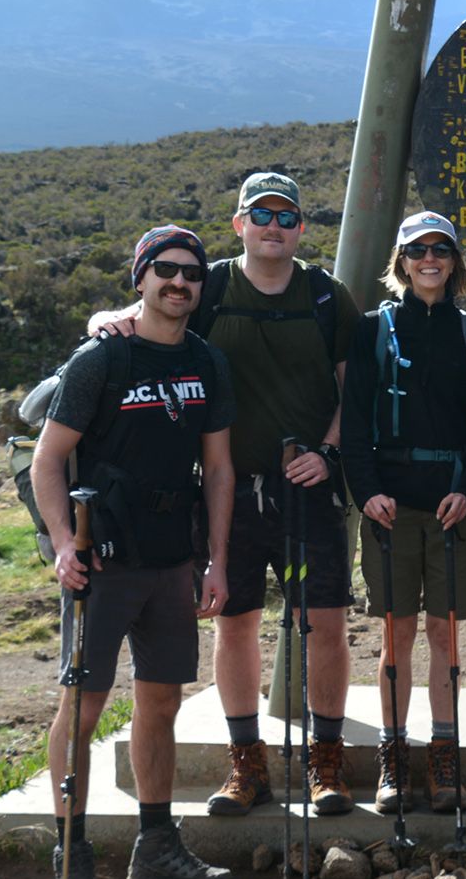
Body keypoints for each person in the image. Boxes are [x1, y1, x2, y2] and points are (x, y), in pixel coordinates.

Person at [89, 172, 362, 818]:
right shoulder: (208, 286)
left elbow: (357, 389)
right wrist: (106, 319)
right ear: (238, 224)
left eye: (286, 215)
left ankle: (326, 763)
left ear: (301, 228)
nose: (273, 225)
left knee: (324, 623)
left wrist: (328, 454)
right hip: (226, 491)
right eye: (259, 214)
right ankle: (248, 764)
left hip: (309, 492)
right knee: (234, 623)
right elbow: (148, 314)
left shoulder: (327, 297)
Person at [34, 225, 235, 879]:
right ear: (141, 277)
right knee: (84, 708)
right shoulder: (103, 361)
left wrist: (217, 562)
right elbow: (49, 458)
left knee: (162, 702)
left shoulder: (205, 362)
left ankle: (156, 847)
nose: (180, 283)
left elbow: (220, 468)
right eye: (167, 270)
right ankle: (74, 849)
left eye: (191, 274)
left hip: (174, 561)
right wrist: (64, 545)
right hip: (104, 564)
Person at [340, 210, 466, 814]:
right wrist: (368, 492)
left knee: (445, 634)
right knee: (395, 633)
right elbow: (354, 422)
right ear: (401, 261)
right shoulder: (372, 330)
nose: (429, 259)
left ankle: (444, 754)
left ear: (455, 261)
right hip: (389, 508)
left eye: (441, 249)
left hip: (452, 507)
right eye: (417, 250)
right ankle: (393, 753)